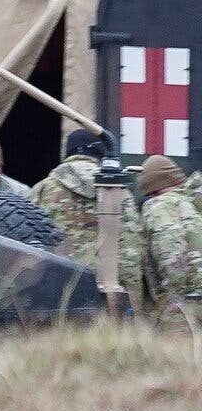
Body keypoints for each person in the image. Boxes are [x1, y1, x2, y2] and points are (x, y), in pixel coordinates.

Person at [29, 129, 146, 307]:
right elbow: (131, 252)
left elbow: (27, 247)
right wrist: (133, 305)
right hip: (109, 298)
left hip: (57, 298)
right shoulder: (119, 192)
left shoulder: (42, 190)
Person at [138, 154, 202, 326]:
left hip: (184, 305)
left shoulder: (161, 207)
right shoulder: (191, 204)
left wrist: (174, 299)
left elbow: (171, 256)